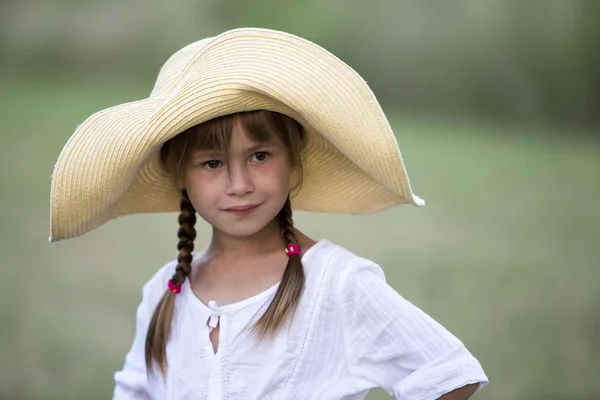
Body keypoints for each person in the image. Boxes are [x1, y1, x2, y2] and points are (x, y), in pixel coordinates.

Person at [49, 28, 488, 400]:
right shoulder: (164, 294)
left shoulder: (337, 283)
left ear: (292, 159)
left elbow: (449, 373)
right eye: (212, 163)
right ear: (179, 173)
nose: (239, 183)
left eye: (259, 155)